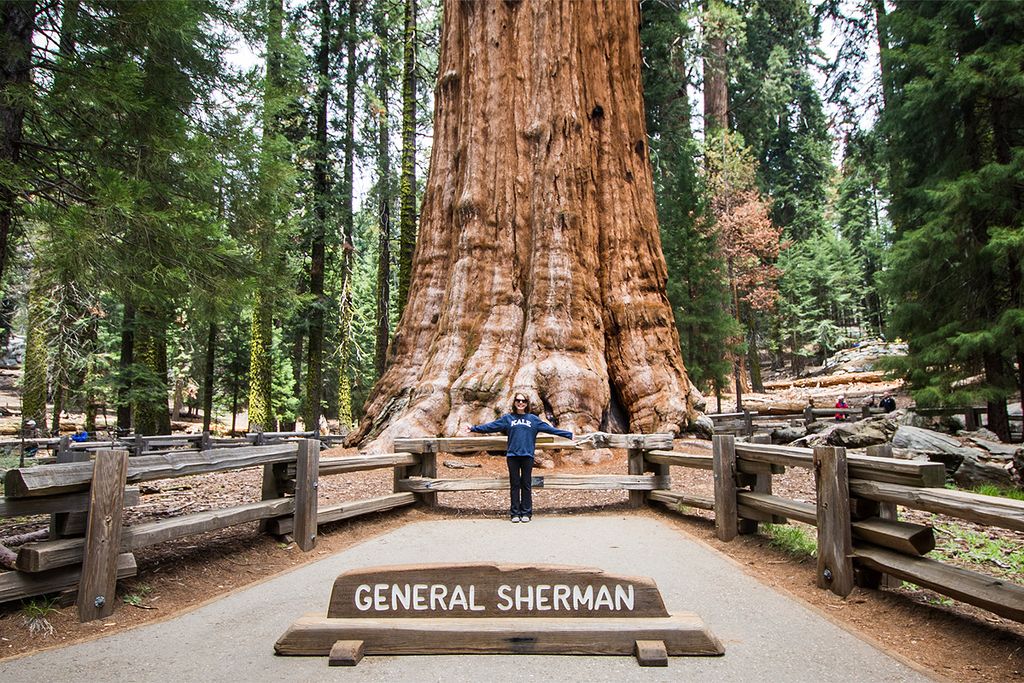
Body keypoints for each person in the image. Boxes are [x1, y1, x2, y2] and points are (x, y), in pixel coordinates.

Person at [466, 393, 572, 523]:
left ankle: (526, 512)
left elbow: (551, 430)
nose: (520, 403)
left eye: (523, 401)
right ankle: (515, 513)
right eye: (518, 400)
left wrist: (569, 435)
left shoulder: (533, 419)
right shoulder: (508, 419)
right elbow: (491, 426)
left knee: (526, 485)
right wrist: (473, 428)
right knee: (515, 485)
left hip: (527, 456)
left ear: (527, 403)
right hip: (512, 456)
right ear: (514, 402)